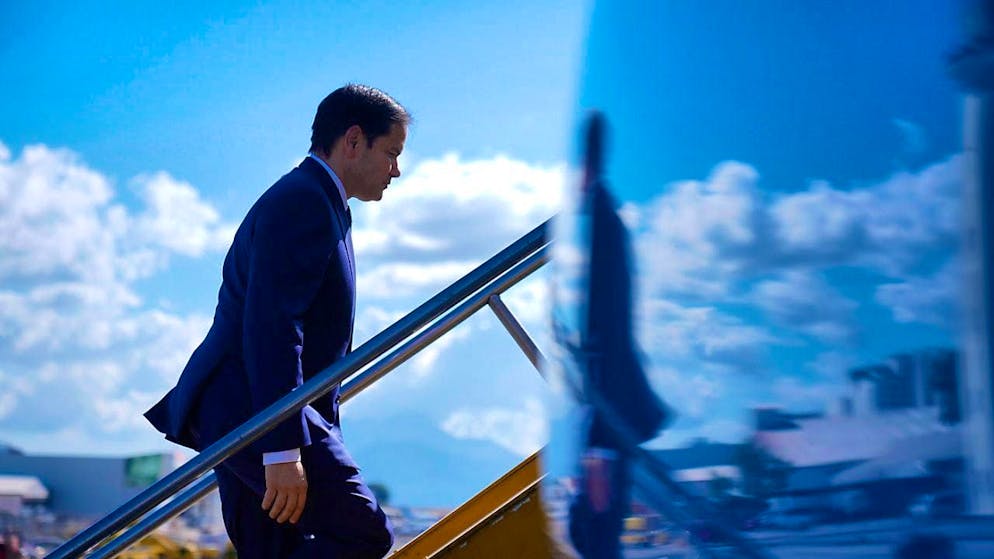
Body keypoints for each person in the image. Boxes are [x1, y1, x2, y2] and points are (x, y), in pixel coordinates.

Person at [145, 84, 409, 559]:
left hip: (245, 410)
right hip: (252, 408)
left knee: (272, 550)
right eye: (390, 152)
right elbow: (273, 328)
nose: (396, 169)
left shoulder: (320, 201)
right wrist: (283, 450)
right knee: (363, 533)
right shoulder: (304, 202)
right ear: (353, 141)